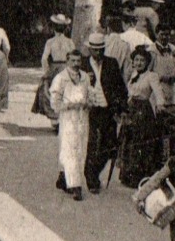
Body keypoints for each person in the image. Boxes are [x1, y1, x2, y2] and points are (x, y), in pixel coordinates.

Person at [82, 30, 129, 192]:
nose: (98, 52)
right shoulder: (82, 64)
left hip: (107, 110)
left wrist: (122, 108)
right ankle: (91, 179)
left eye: (101, 49)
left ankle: (93, 172)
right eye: (95, 49)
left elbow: (120, 87)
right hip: (89, 111)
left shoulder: (111, 63)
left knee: (110, 147)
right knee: (93, 144)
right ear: (89, 49)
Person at [117, 45, 168, 186]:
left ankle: (139, 177)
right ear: (133, 62)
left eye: (142, 60)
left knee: (141, 143)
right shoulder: (133, 75)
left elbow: (158, 92)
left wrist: (160, 104)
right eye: (136, 60)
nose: (138, 63)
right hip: (131, 110)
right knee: (129, 141)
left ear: (147, 62)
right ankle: (128, 175)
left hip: (143, 112)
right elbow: (128, 94)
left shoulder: (151, 76)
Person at [49, 51, 93, 199]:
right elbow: (54, 101)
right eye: (73, 61)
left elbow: (90, 95)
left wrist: (88, 103)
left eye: (78, 61)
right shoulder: (61, 78)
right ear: (67, 62)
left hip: (82, 117)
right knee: (70, 149)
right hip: (68, 118)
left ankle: (63, 177)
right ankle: (76, 186)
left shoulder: (85, 77)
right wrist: (69, 105)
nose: (76, 64)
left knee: (81, 149)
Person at [34, 14, 75, 124]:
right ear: (65, 28)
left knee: (50, 89)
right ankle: (63, 116)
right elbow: (74, 56)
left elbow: (44, 59)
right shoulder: (70, 42)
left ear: (54, 27)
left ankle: (54, 117)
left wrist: (46, 71)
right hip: (66, 67)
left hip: (54, 68)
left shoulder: (50, 42)